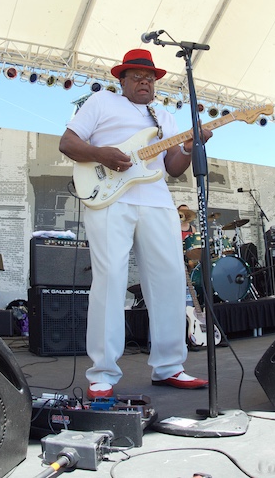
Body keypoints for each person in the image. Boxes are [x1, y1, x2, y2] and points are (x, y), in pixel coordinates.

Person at [59, 48, 211, 399]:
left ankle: (170, 365)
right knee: (110, 279)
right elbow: (68, 142)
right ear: (122, 80)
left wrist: (188, 148)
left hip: (156, 201)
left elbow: (173, 167)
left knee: (171, 280)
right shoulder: (100, 103)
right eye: (138, 76)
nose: (145, 81)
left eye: (151, 78)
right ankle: (102, 374)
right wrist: (101, 153)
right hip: (111, 197)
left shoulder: (164, 116)